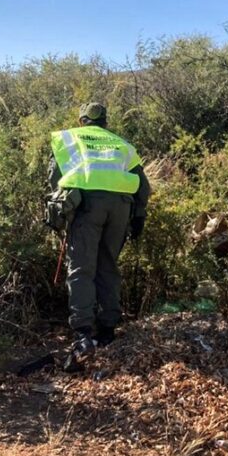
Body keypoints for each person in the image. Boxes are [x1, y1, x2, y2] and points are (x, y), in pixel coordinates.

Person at [48, 102, 150, 370]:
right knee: (107, 265)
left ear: (82, 120)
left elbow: (54, 176)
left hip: (86, 207)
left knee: (82, 269)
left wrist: (59, 207)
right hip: (120, 207)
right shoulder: (121, 143)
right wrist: (139, 215)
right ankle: (108, 328)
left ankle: (83, 332)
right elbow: (143, 184)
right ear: (105, 122)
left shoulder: (70, 138)